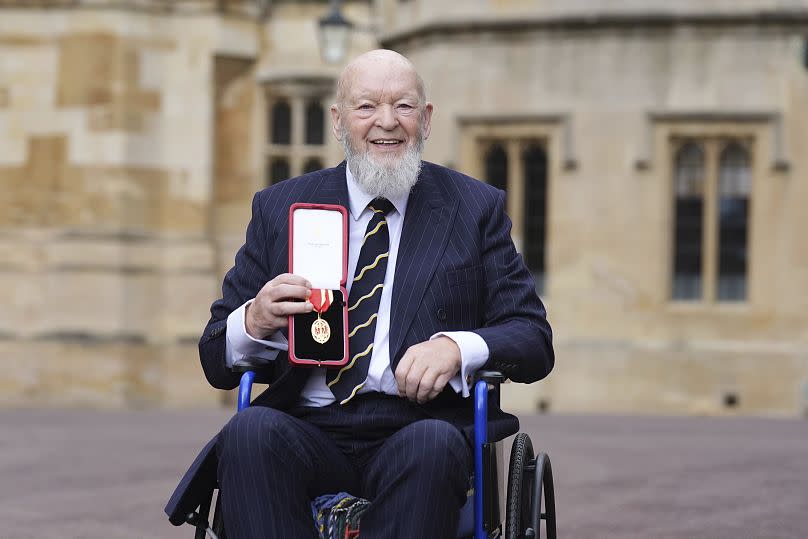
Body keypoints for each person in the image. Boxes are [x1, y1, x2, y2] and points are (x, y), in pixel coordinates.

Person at [166, 49, 553, 538]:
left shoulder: (474, 209)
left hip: (418, 428)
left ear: (427, 118)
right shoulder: (280, 207)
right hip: (309, 428)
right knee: (248, 431)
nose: (386, 122)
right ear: (338, 120)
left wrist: (457, 347)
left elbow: (533, 337)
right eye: (366, 106)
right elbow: (215, 358)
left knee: (433, 444)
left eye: (404, 106)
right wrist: (255, 319)